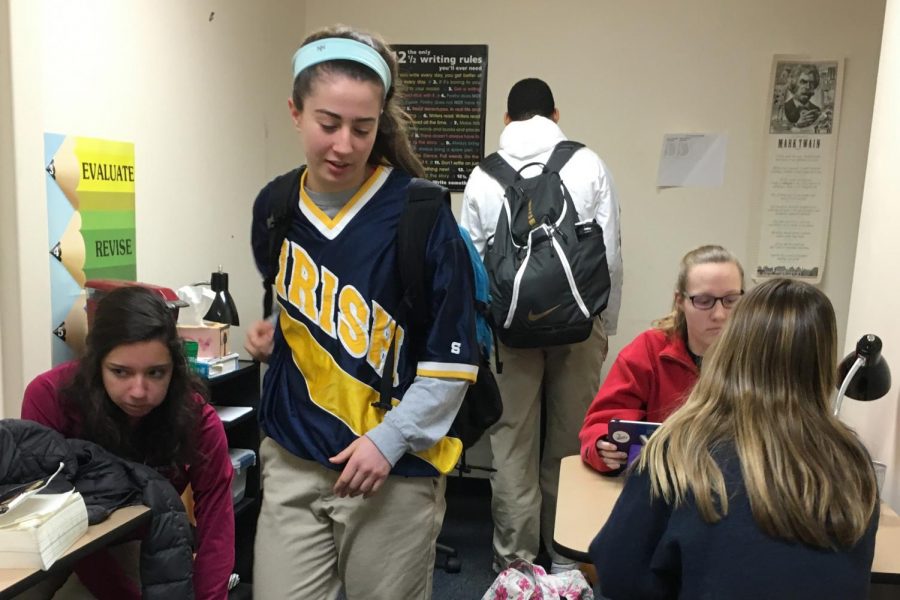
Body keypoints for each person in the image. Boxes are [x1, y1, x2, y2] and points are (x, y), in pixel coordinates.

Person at [244, 25, 478, 600]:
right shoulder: (276, 206)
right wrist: (278, 332)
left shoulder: (421, 213)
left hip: (393, 473)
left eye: (362, 128)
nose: (344, 145)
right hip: (294, 459)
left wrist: (390, 439)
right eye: (328, 124)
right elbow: (302, 306)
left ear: (381, 123)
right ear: (295, 112)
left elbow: (452, 361)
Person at [589, 278, 880, 599]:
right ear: (823, 363)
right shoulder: (854, 462)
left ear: (732, 348)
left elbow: (618, 574)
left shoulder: (680, 449)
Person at [460, 77, 622, 573]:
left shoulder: (483, 176)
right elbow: (610, 253)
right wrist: (603, 325)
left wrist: (482, 334)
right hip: (579, 326)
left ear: (506, 120)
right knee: (572, 441)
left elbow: (470, 263)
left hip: (510, 332)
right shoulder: (587, 162)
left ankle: (515, 563)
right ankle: (568, 559)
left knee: (511, 443)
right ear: (556, 114)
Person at [21, 286, 234, 600]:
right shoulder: (48, 398)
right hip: (49, 534)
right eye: (120, 372)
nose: (138, 391)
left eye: (156, 373)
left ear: (174, 370)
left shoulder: (196, 418)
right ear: (96, 365)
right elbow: (54, 515)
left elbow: (217, 523)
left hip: (135, 538)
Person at [580, 245, 744, 474]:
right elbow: (603, 424)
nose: (719, 315)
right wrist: (603, 444)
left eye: (731, 300)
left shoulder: (758, 354)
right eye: (704, 301)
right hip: (663, 484)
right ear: (680, 301)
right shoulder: (649, 350)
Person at [782, 63, 822, 130]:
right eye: (803, 82)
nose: (808, 87)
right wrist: (797, 125)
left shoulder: (817, 110)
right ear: (793, 84)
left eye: (811, 83)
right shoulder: (784, 109)